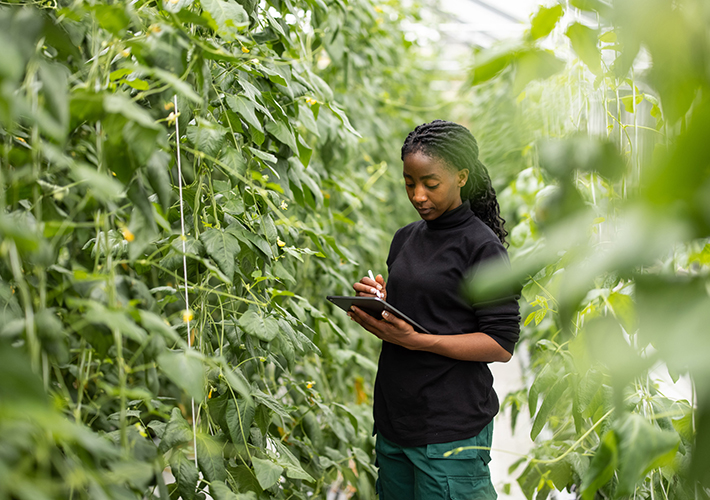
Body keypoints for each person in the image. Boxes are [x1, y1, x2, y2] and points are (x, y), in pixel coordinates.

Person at [348, 120, 521, 500]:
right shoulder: (406, 238)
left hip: (449, 431)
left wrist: (418, 341)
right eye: (410, 182)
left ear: (461, 177)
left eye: (431, 183)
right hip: (396, 422)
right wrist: (382, 300)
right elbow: (428, 306)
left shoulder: (482, 248)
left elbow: (500, 343)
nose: (418, 195)